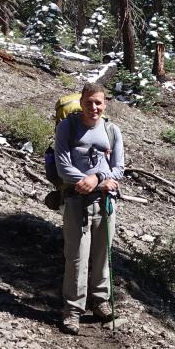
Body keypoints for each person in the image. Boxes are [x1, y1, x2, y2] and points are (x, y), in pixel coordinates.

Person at [53, 85, 124, 334]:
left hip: (105, 201)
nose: (94, 108)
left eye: (99, 103)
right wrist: (89, 180)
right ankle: (73, 310)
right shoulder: (67, 127)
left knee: (102, 254)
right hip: (76, 200)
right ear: (81, 102)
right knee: (76, 257)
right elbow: (62, 166)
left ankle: (100, 301)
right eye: (90, 102)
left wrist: (97, 178)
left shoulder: (112, 130)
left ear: (105, 104)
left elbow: (119, 168)